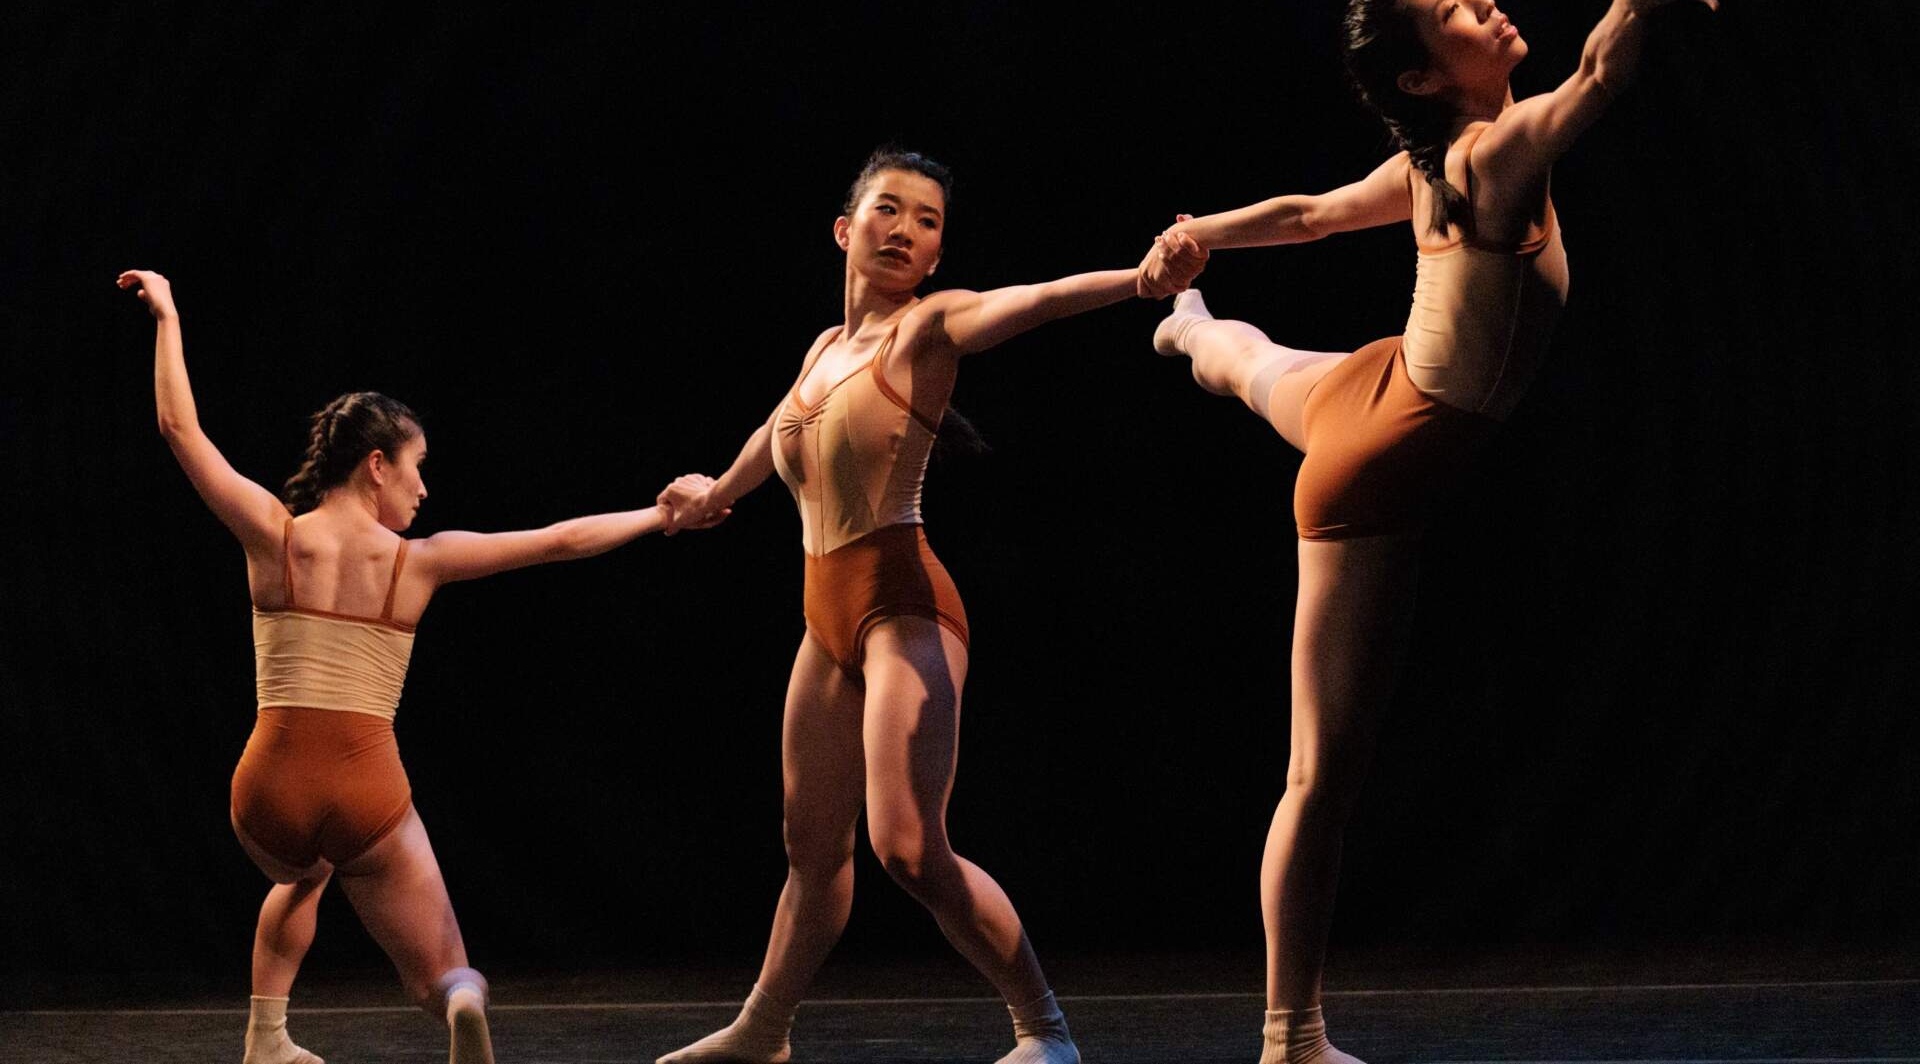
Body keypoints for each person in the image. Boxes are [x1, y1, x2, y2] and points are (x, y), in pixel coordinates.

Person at [1138, 0, 1716, 1063]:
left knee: (1246, 362)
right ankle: (1287, 1034)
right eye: (1457, 9)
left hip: (1383, 386)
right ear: (1422, 72)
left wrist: (1197, 237)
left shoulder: (1429, 164)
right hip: (1380, 466)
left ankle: (1184, 328)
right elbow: (1598, 77)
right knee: (1322, 770)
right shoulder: (1487, 155)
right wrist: (1631, 0)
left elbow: (1306, 217)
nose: (1486, 3)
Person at [652, 147, 1205, 1064]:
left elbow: (1034, 298)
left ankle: (1046, 1031)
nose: (905, 229)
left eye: (928, 220)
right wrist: (718, 492)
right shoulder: (824, 351)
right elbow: (777, 428)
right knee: (811, 847)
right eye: (887, 209)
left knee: (907, 847)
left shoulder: (928, 327)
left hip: (903, 605)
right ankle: (764, 1029)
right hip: (824, 617)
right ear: (845, 228)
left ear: (939, 254)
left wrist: (1141, 281)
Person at [117, 268, 723, 1064]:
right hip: (367, 781)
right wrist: (662, 514)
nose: (424, 486)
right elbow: (559, 540)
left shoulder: (277, 534)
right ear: (376, 465)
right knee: (442, 967)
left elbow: (177, 426)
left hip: (268, 781)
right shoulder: (421, 562)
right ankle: (461, 1001)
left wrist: (167, 313)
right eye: (416, 466)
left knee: (301, 874)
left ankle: (266, 1037)